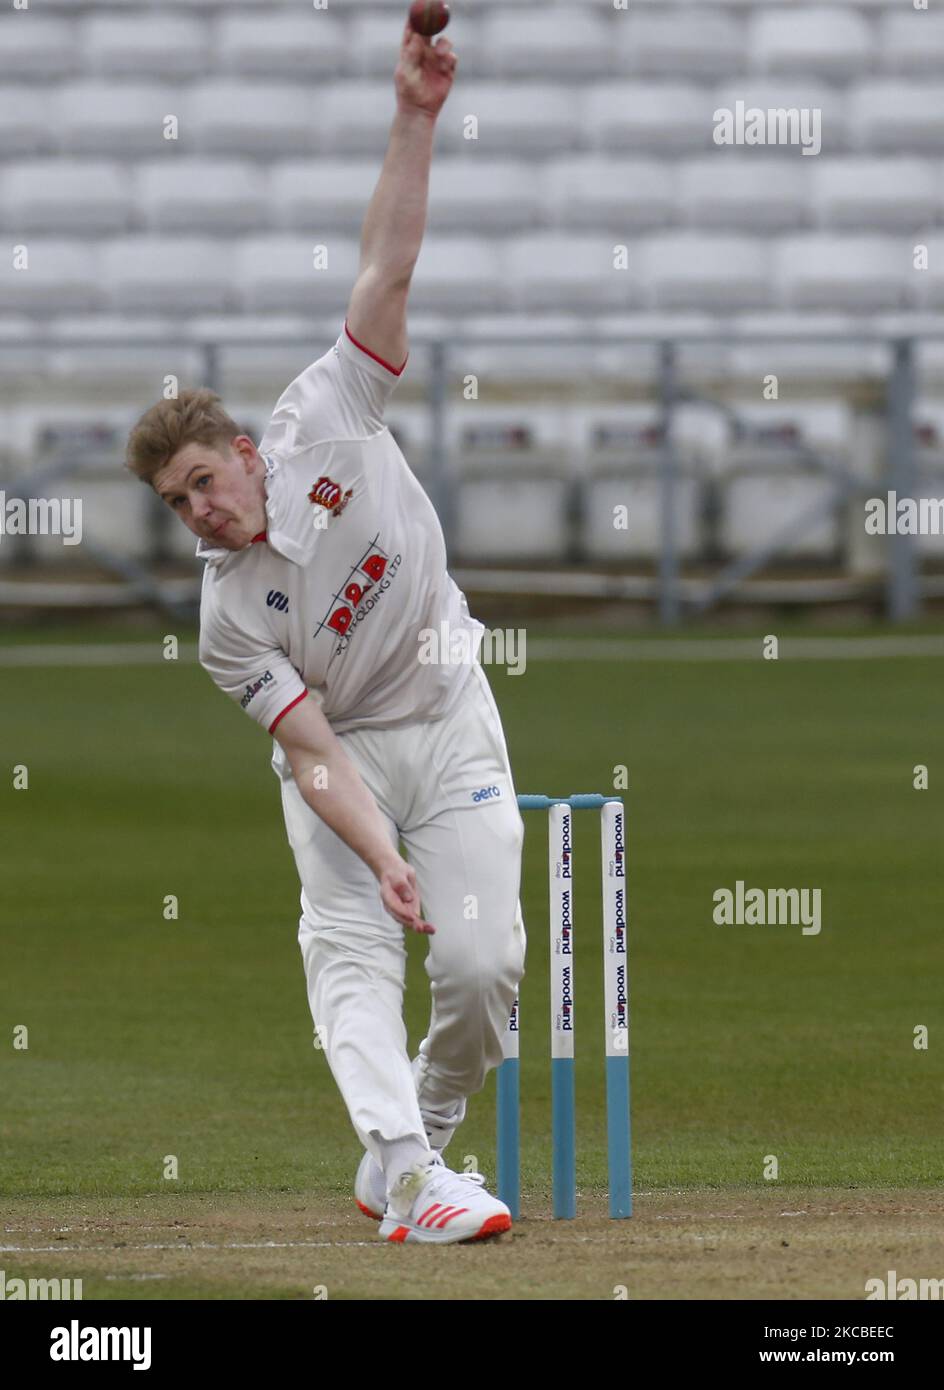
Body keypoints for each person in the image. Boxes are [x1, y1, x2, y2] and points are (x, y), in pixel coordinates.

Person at [124, 23, 526, 1244]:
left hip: (448, 706)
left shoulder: (327, 414)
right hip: (339, 757)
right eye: (178, 503)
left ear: (246, 452)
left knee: (480, 971)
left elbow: (383, 274)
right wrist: (376, 849)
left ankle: (426, 1136)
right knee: (350, 956)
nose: (201, 510)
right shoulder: (226, 619)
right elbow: (306, 749)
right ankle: (404, 1169)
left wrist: (413, 117)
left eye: (205, 478)